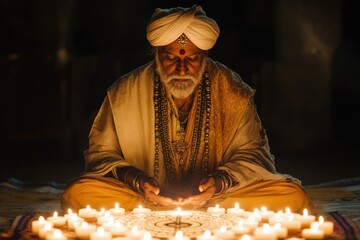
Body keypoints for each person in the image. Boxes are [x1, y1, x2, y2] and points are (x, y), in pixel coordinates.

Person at [61, 5, 311, 213]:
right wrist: (136, 180)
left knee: (291, 195)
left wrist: (219, 183)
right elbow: (101, 155)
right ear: (157, 54)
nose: (182, 69)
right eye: (172, 58)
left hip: (216, 198)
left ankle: (210, 204)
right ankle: (150, 205)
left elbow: (254, 153)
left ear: (205, 55)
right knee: (78, 194)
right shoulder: (124, 92)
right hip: (143, 198)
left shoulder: (231, 89)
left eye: (192, 59)